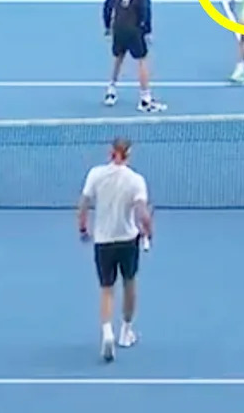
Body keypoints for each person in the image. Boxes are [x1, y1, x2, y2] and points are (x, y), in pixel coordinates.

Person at [77, 137, 153, 362]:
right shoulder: (136, 181)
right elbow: (142, 213)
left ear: (110, 152)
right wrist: (148, 231)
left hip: (103, 242)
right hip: (128, 241)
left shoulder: (95, 174)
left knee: (107, 289)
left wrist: (83, 228)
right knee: (129, 283)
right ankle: (126, 332)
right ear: (128, 155)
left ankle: (107, 332)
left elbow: (83, 205)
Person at [102, 0, 167, 113]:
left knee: (118, 57)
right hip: (133, 29)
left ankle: (111, 91)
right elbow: (145, 10)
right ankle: (145, 99)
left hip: (118, 27)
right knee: (142, 60)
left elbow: (107, 5)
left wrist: (107, 25)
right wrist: (147, 30)